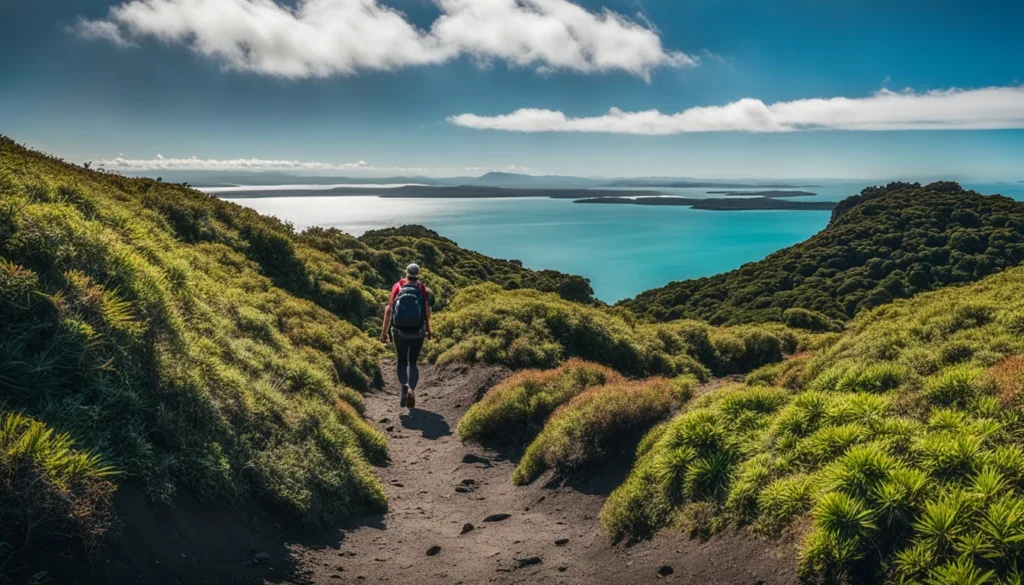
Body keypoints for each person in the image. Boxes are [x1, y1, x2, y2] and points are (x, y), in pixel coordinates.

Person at [380, 263, 432, 408]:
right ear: (418, 273)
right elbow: (427, 311)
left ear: (406, 272)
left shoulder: (398, 286)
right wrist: (428, 329)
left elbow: (389, 310)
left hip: (399, 331)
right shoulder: (422, 288)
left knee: (402, 361)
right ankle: (411, 389)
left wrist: (383, 332)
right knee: (413, 362)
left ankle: (404, 385)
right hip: (418, 331)